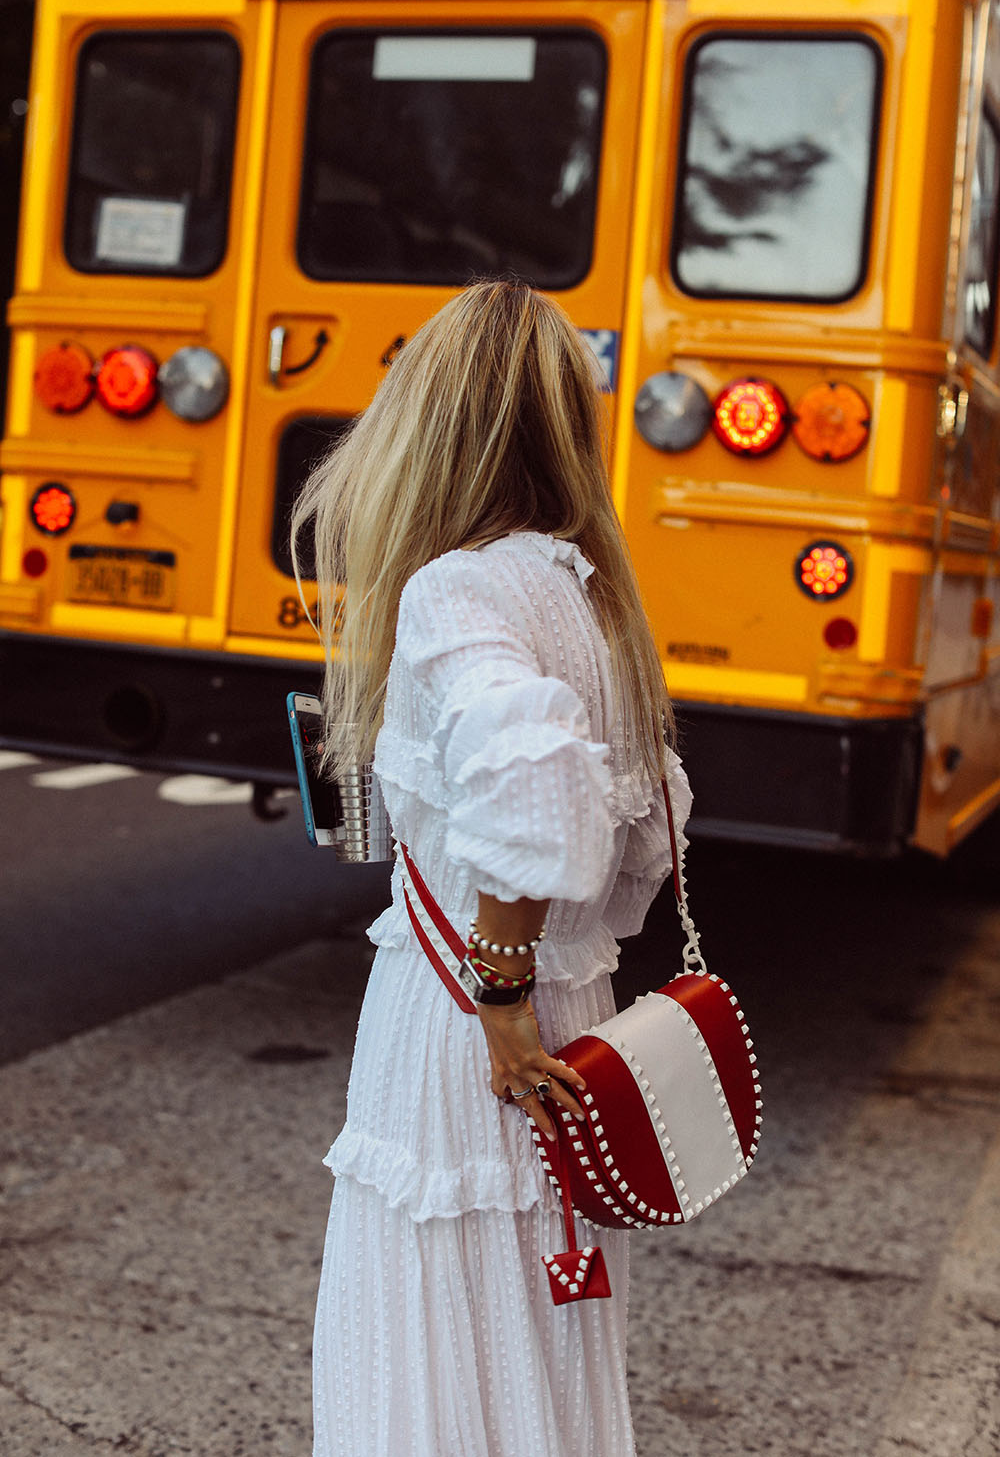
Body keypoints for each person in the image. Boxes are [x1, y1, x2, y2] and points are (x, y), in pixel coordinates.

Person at [292, 279, 691, 1457]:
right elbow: (642, 834)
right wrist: (553, 960)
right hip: (578, 1010)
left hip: (466, 1023)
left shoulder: (455, 587)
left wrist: (501, 992)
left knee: (436, 1319)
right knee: (535, 1321)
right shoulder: (593, 597)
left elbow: (533, 779)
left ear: (427, 421)